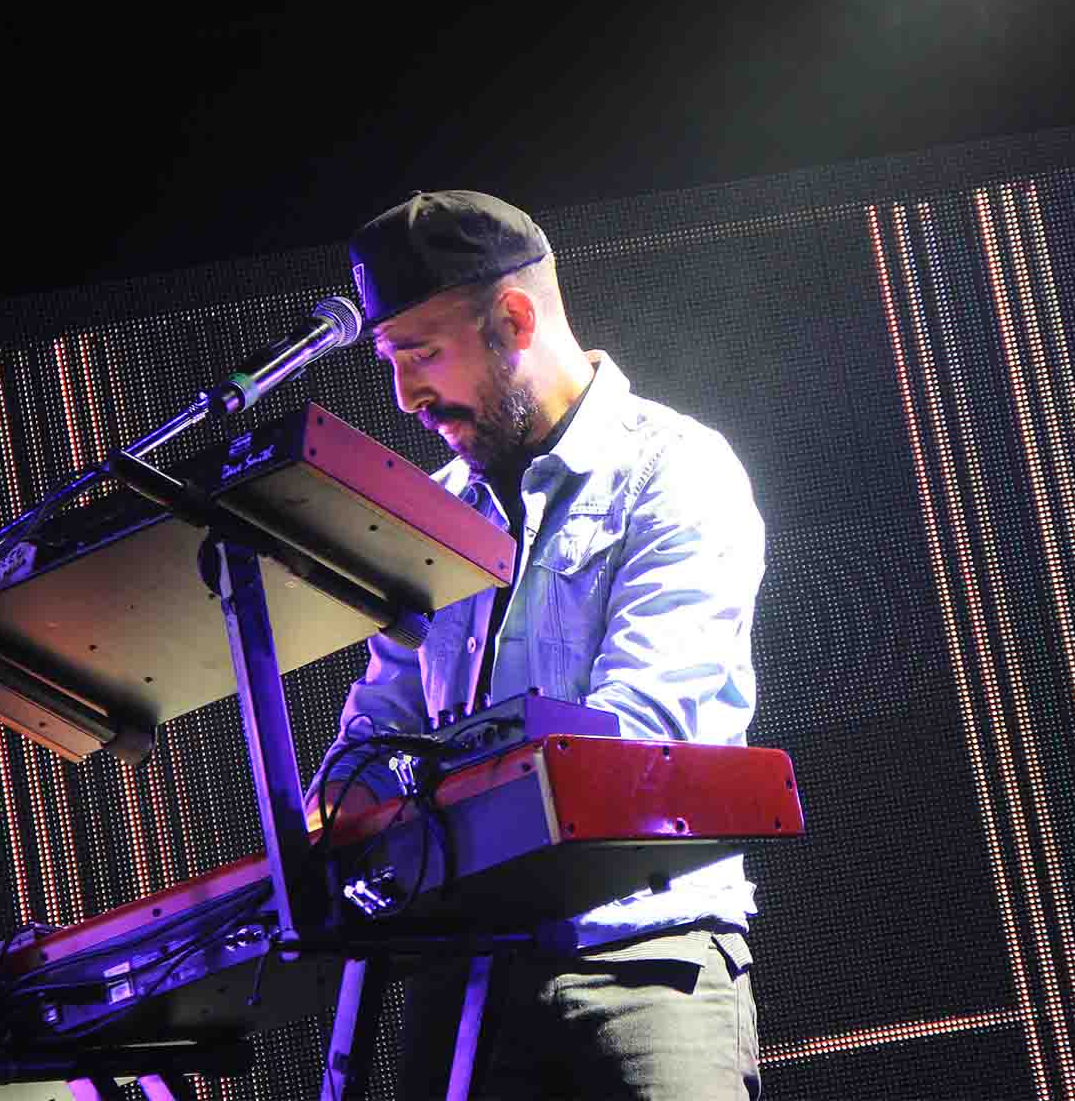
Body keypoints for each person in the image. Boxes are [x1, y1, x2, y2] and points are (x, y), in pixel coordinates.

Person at [304, 190, 765, 1099]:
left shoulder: (676, 468)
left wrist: (427, 792)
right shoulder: (429, 513)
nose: (405, 397)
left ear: (514, 319)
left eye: (421, 354)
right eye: (390, 363)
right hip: (464, 977)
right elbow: (370, 740)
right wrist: (336, 810)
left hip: (640, 961)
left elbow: (639, 732)